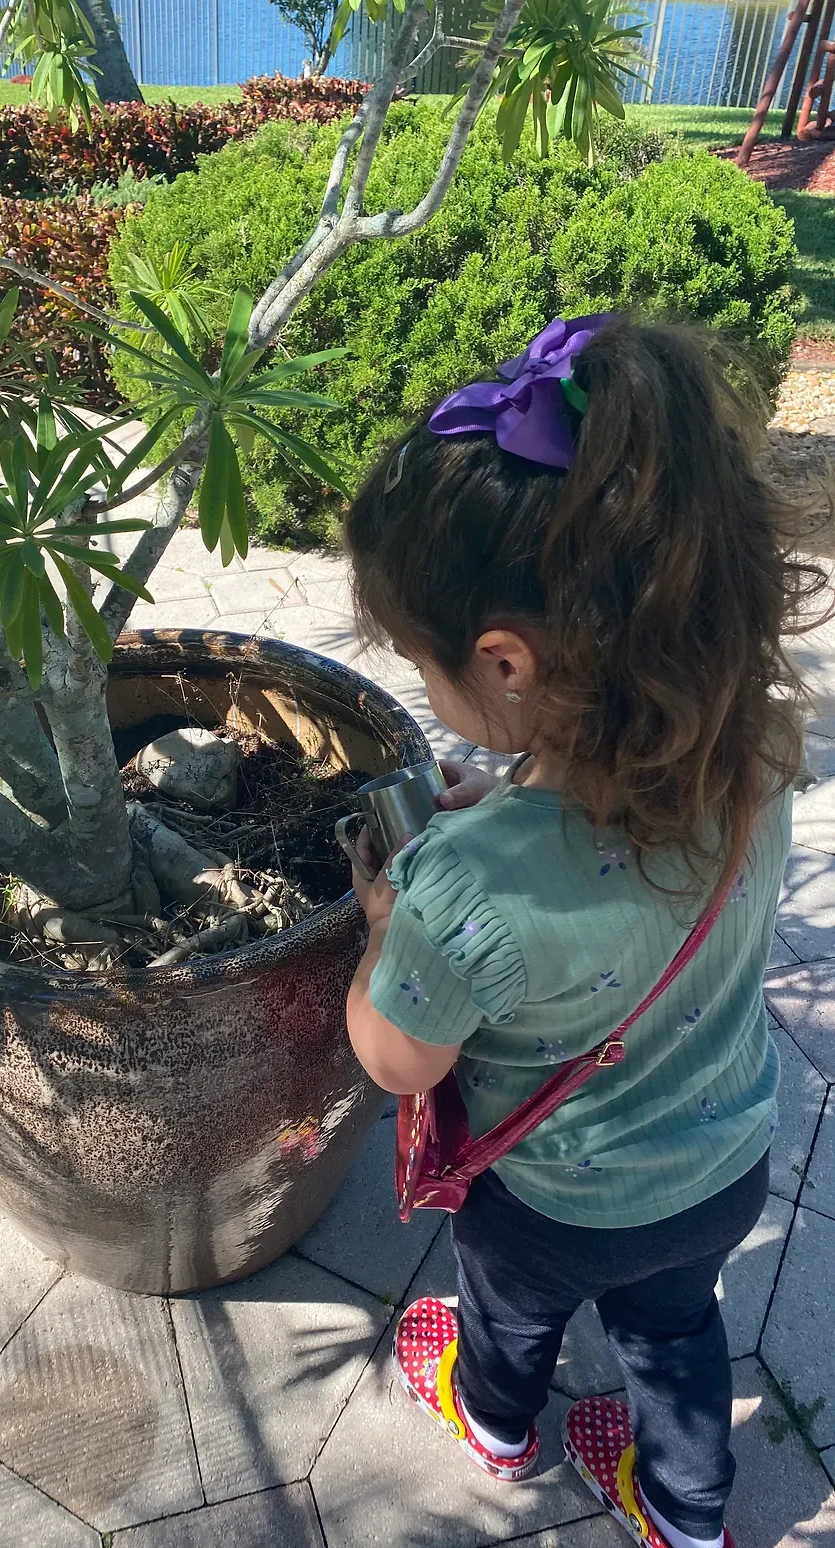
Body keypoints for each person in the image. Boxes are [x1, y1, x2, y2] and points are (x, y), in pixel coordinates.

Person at [341, 315, 825, 1548]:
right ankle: (687, 1509)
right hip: (720, 1167)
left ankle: (498, 1424)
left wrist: (388, 929)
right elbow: (612, 858)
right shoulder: (750, 755)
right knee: (674, 1327)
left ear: (503, 661)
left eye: (420, 662)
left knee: (505, 1314)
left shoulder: (461, 891)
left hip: (554, 1203)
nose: (426, 686)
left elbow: (400, 1063)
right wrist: (510, 803)